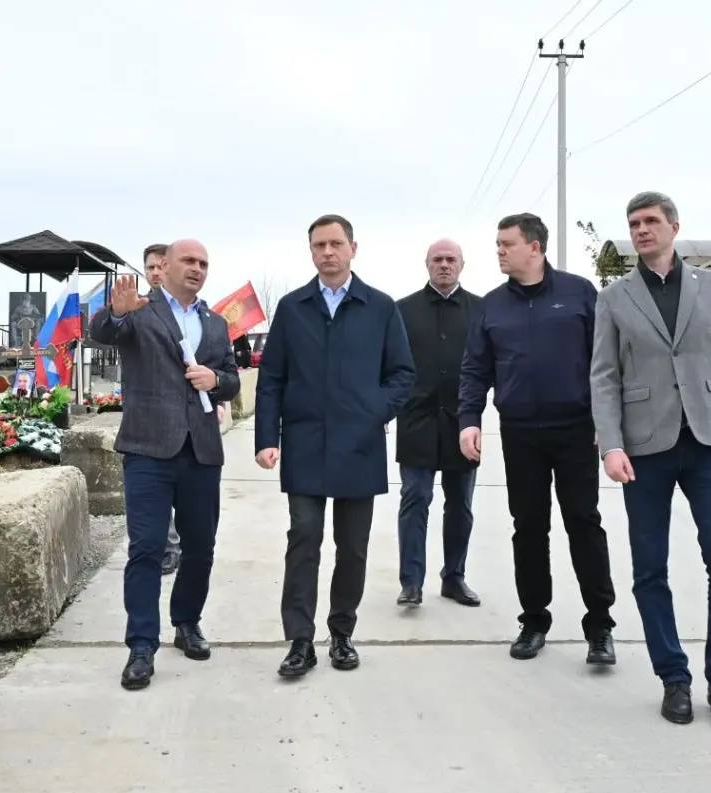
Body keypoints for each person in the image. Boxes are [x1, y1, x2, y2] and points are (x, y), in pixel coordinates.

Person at [590, 192, 711, 729]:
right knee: (649, 567)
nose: (641, 230)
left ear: (673, 226)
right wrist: (610, 445)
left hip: (710, 442)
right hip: (644, 449)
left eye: (650, 221)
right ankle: (673, 678)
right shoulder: (614, 298)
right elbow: (604, 377)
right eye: (633, 224)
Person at [255, 214, 414, 678]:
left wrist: (374, 411)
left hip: (360, 446)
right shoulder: (293, 308)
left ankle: (342, 633)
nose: (327, 252)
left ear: (352, 249)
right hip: (305, 444)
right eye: (319, 245)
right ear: (311, 251)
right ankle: (300, 641)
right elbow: (272, 378)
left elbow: (402, 374)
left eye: (335, 244)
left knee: (353, 547)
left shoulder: (380, 307)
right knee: (303, 539)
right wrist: (267, 438)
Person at [458, 212, 617, 666]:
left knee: (583, 523)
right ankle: (533, 621)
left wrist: (606, 422)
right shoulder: (491, 306)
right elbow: (475, 368)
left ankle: (600, 626)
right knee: (528, 526)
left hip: (575, 430)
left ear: (535, 247)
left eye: (506, 243)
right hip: (520, 432)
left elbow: (605, 362)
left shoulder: (579, 293)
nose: (499, 251)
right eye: (498, 244)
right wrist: (469, 419)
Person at [89, 239, 240, 691]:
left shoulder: (215, 323)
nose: (197, 268)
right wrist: (116, 313)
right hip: (148, 450)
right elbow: (103, 332)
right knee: (147, 549)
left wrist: (216, 380)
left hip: (202, 452)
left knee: (201, 548)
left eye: (204, 263)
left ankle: (187, 622)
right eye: (188, 261)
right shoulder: (140, 311)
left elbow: (232, 379)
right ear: (165, 267)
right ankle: (141, 645)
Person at [393, 239, 482, 608]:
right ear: (426, 264)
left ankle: (454, 577)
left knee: (460, 503)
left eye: (451, 259)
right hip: (416, 420)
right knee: (415, 498)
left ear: (462, 264)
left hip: (464, 422)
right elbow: (389, 363)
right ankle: (411, 582)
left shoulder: (480, 309)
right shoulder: (402, 310)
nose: (444, 265)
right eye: (437, 260)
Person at [143, 243, 184, 576]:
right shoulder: (136, 308)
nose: (156, 273)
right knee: (154, 489)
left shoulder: (190, 308)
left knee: (184, 489)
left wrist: (219, 400)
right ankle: (168, 547)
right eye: (150, 267)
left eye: (161, 266)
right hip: (148, 416)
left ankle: (184, 543)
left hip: (186, 414)